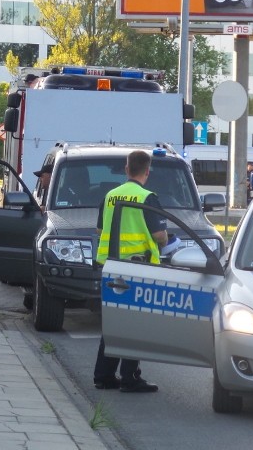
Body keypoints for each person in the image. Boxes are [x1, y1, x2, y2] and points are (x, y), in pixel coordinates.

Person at [93, 149, 167, 393]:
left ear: (127, 169)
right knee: (136, 323)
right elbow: (159, 236)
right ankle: (129, 377)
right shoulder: (147, 197)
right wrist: (165, 241)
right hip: (139, 267)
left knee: (114, 320)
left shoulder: (110, 196)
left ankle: (103, 376)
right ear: (147, 171)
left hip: (111, 265)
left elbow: (100, 230)